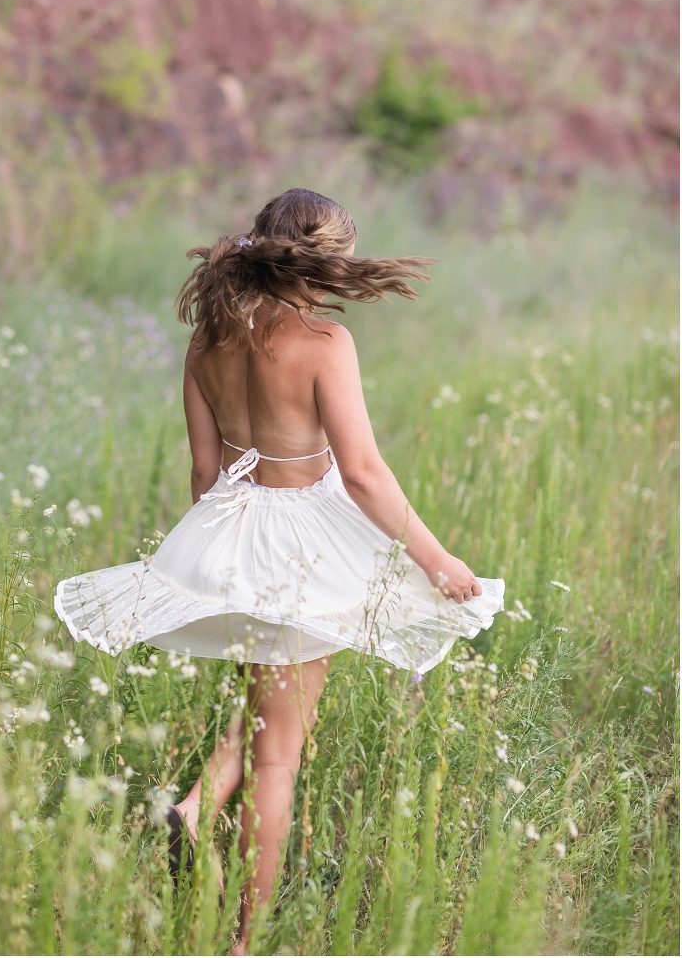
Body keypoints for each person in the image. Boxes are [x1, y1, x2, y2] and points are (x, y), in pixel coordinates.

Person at [54, 187, 504, 953]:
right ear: (323, 262)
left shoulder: (207, 339)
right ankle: (244, 938)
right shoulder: (325, 343)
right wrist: (437, 557)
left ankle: (195, 809)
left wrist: (224, 553)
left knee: (270, 703)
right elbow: (361, 472)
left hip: (230, 529)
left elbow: (205, 471)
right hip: (307, 541)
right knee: (281, 753)